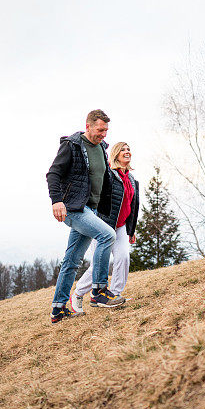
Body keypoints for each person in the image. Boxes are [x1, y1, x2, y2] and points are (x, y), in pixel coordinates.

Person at [46, 109, 125, 324]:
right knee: (107, 236)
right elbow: (53, 173)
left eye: (106, 130)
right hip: (73, 208)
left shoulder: (101, 148)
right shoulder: (72, 146)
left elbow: (104, 180)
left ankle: (58, 308)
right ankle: (99, 291)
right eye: (100, 130)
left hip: (91, 209)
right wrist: (57, 201)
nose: (103, 134)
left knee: (71, 261)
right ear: (88, 125)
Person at [71, 142, 139, 314]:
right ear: (116, 154)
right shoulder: (109, 174)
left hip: (122, 226)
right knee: (98, 265)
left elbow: (133, 206)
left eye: (129, 149)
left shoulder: (131, 179)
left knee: (123, 257)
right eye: (123, 149)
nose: (127, 152)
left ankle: (114, 295)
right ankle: (78, 294)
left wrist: (131, 230)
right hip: (103, 225)